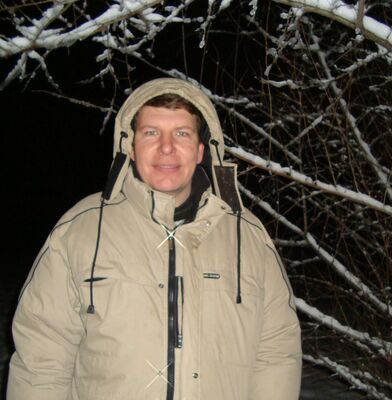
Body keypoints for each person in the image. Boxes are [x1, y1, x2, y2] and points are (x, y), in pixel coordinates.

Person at [7, 78, 302, 400]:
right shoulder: (81, 231)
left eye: (182, 133)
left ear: (201, 150)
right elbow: (42, 358)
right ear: (130, 147)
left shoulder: (248, 237)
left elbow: (276, 352)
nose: (166, 147)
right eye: (151, 133)